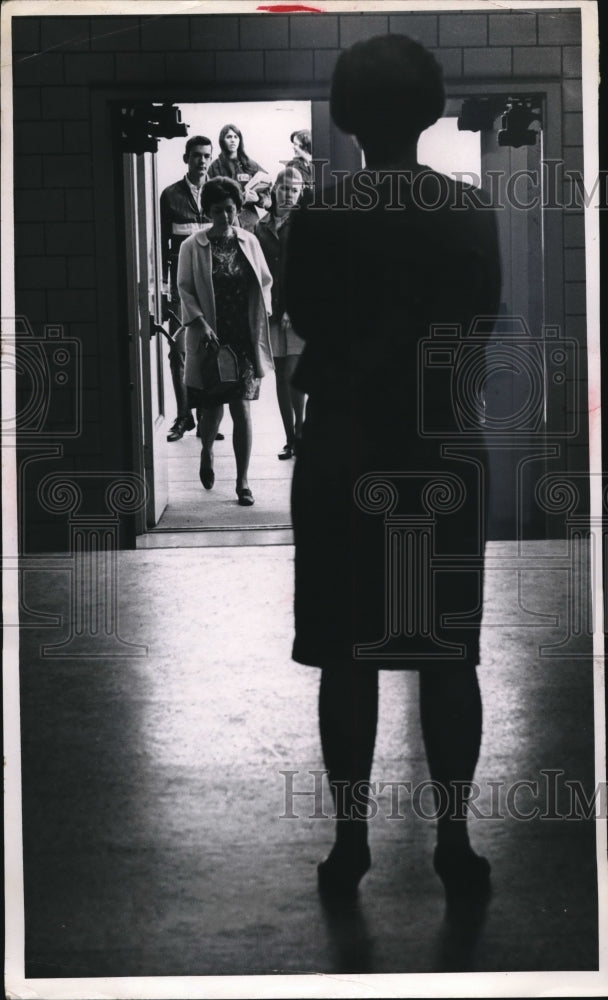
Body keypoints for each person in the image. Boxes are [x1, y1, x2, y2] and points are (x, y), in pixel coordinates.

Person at [284, 34, 502, 900]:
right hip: (439, 445)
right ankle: (454, 840)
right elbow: (479, 323)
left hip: (344, 449)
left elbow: (307, 318)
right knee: (446, 654)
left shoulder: (320, 214)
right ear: (429, 110)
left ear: (347, 116)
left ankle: (350, 843)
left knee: (347, 655)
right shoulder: (469, 211)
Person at [177, 177, 273, 507]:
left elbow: (264, 282)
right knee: (212, 408)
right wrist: (200, 324)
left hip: (243, 337)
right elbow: (185, 290)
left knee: (242, 407)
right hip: (211, 338)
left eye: (230, 210)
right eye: (218, 211)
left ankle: (243, 481)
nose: (225, 217)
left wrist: (261, 313)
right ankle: (206, 450)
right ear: (208, 211)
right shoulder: (192, 246)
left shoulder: (249, 241)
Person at [160, 135, 217, 442]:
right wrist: (162, 289)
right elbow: (160, 244)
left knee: (208, 351)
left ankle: (207, 416)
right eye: (197, 155)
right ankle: (184, 416)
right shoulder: (170, 196)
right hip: (178, 288)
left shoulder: (217, 193)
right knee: (178, 352)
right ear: (186, 158)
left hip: (211, 288)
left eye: (207, 156)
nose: (202, 161)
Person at [254, 167, 306, 460]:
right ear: (274, 189)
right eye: (284, 188)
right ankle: (289, 438)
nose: (289, 194)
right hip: (270, 311)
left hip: (296, 312)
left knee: (293, 374)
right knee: (280, 378)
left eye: (295, 190)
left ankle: (300, 431)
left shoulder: (304, 224)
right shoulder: (260, 227)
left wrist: (294, 308)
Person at [207, 124, 270, 232]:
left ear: (240, 140)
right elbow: (209, 198)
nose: (233, 140)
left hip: (249, 222)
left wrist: (258, 199)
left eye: (236, 137)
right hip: (224, 221)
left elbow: (267, 192)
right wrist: (240, 198)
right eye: (229, 137)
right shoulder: (214, 167)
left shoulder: (250, 165)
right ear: (222, 141)